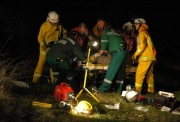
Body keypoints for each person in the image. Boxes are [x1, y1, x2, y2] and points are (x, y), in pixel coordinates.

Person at [32, 11, 68, 84]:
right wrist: (44, 46)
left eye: (55, 22)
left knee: (53, 65)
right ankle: (34, 82)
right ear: (48, 19)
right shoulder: (44, 26)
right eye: (53, 22)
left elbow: (64, 32)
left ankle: (53, 82)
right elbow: (40, 38)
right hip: (44, 49)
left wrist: (63, 39)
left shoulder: (59, 25)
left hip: (55, 48)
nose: (54, 23)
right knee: (40, 65)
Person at [96, 23, 128, 93]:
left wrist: (95, 55)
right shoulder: (117, 31)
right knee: (120, 72)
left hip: (118, 52)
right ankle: (118, 90)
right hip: (125, 51)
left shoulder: (106, 31)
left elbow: (102, 49)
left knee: (111, 70)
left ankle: (102, 90)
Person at [131, 18, 156, 94]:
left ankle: (137, 93)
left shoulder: (141, 33)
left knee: (139, 75)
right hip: (151, 57)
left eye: (136, 24)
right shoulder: (146, 33)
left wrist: (135, 55)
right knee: (149, 75)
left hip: (145, 57)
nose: (135, 25)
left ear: (141, 24)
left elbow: (142, 45)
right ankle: (151, 91)